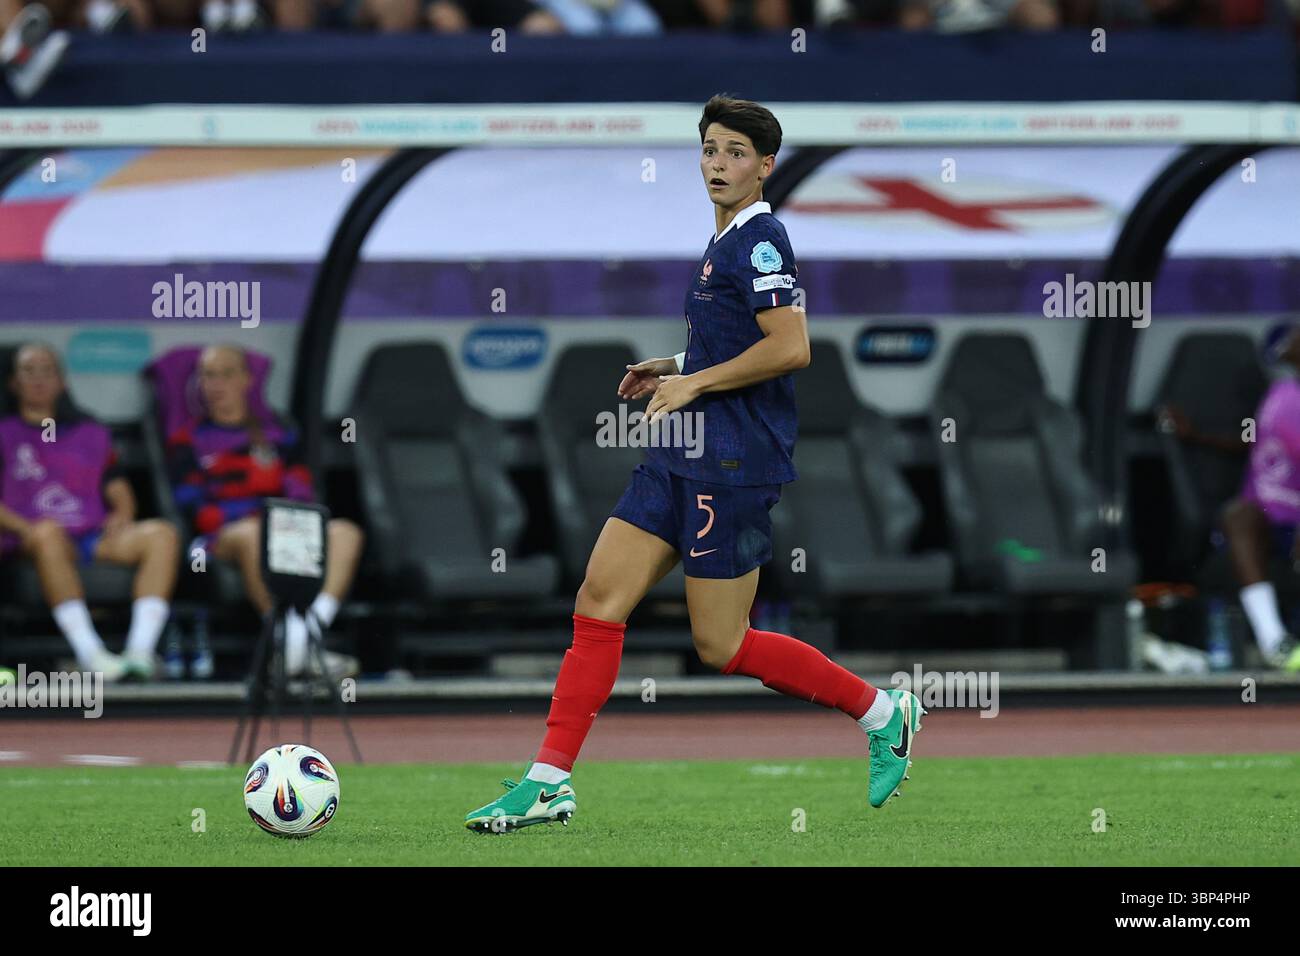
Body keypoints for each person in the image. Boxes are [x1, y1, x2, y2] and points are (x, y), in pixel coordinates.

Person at [465, 95, 925, 834]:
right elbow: (737, 341)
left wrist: (696, 382)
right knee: (597, 600)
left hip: (732, 462)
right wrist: (675, 366)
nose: (718, 163)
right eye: (710, 149)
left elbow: (791, 346)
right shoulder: (722, 240)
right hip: (680, 455)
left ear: (765, 165)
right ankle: (548, 780)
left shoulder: (761, 240)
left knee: (722, 643)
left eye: (736, 152)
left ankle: (881, 711)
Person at [165, 344, 364, 678]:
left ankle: (297, 642)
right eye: (208, 376)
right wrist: (246, 516)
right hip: (219, 538)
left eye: (226, 374)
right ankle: (299, 646)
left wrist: (289, 516)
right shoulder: (189, 438)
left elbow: (301, 488)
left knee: (346, 533)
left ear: (245, 380)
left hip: (283, 525)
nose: (216, 384)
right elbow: (192, 504)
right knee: (253, 533)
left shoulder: (277, 433)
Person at [0, 343, 179, 680]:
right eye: (29, 370)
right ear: (12, 383)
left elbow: (116, 484)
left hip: (90, 536)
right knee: (48, 533)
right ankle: (91, 653)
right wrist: (27, 530)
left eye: (47, 370)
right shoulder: (4, 432)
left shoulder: (89, 430)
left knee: (161, 534)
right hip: (27, 538)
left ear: (62, 381)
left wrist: (122, 514)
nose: (38, 379)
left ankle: (139, 653)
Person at [1219, 325, 1300, 671]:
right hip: (1271, 517)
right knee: (1238, 516)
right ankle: (1274, 642)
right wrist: (1195, 436)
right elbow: (1257, 444)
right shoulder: (1282, 394)